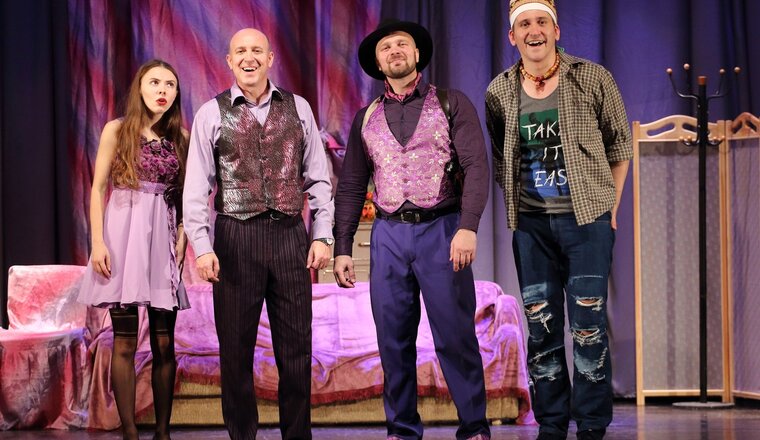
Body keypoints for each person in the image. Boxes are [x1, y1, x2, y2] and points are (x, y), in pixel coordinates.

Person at [333, 19, 491, 440]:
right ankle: (402, 430)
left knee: (455, 336)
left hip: (441, 230)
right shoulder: (366, 117)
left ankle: (474, 427)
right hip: (388, 236)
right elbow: (351, 185)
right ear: (378, 62)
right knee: (392, 340)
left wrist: (469, 227)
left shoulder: (451, 103)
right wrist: (342, 246)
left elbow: (477, 166)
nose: (395, 51)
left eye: (402, 44)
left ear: (417, 54)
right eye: (386, 48)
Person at [485, 1, 632, 439]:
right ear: (512, 36)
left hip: (586, 222)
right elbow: (502, 156)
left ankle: (590, 425)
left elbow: (620, 146)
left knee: (588, 327)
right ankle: (551, 424)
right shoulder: (499, 90)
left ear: (556, 30)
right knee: (541, 327)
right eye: (524, 24)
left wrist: (610, 209)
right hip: (532, 226)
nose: (534, 31)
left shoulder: (592, 77)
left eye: (541, 22)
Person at [183, 28, 334, 440]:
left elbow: (319, 178)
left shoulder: (298, 107)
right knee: (235, 352)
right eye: (240, 51)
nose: (248, 58)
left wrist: (322, 235)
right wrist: (202, 247)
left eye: (256, 51)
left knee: (296, 351)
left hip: (289, 236)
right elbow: (195, 189)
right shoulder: (210, 113)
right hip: (235, 239)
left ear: (270, 58)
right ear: (229, 61)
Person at [78, 59, 190, 440]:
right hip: (123, 236)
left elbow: (187, 195)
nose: (162, 90)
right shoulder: (117, 130)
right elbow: (97, 189)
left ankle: (162, 432)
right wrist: (97, 242)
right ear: (140, 88)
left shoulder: (181, 137)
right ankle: (129, 432)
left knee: (164, 342)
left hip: (162, 239)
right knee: (124, 341)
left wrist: (183, 235)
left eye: (170, 85)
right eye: (155, 82)